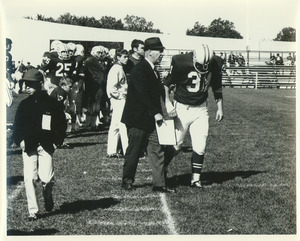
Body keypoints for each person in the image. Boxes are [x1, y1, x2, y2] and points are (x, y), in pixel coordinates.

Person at [163, 44, 224, 188]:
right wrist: (168, 103)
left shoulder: (215, 63)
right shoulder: (180, 62)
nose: (203, 68)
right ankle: (162, 168)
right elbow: (166, 84)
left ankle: (195, 179)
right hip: (182, 108)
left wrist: (220, 108)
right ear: (195, 57)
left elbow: (217, 86)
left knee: (200, 145)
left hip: (201, 109)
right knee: (176, 145)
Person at [11, 68, 67, 221]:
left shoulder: (52, 104)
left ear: (40, 84)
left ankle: (47, 193)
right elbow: (17, 126)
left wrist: (57, 142)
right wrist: (19, 140)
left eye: (30, 84)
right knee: (30, 178)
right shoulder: (24, 104)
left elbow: (61, 125)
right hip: (28, 145)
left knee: (47, 178)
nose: (26, 87)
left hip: (46, 145)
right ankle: (33, 211)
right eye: (25, 84)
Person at [121, 37, 174, 193]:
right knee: (134, 151)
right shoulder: (139, 70)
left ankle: (159, 184)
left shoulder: (152, 69)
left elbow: (155, 93)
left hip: (151, 119)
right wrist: (156, 113)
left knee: (157, 150)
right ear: (150, 52)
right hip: (137, 119)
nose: (162, 54)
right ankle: (127, 180)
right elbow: (142, 94)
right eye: (160, 51)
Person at [106, 49, 129, 158]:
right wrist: (120, 96)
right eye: (124, 57)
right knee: (122, 124)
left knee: (115, 125)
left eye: (127, 57)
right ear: (118, 57)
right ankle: (127, 150)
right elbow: (112, 88)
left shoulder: (119, 68)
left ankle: (111, 150)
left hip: (118, 99)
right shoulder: (116, 69)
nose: (126, 59)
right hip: (119, 100)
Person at [84, 46, 107, 130]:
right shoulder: (91, 60)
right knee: (93, 105)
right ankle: (90, 124)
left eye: (101, 53)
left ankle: (92, 124)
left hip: (97, 84)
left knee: (95, 105)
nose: (100, 54)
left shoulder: (95, 60)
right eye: (98, 52)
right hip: (94, 84)